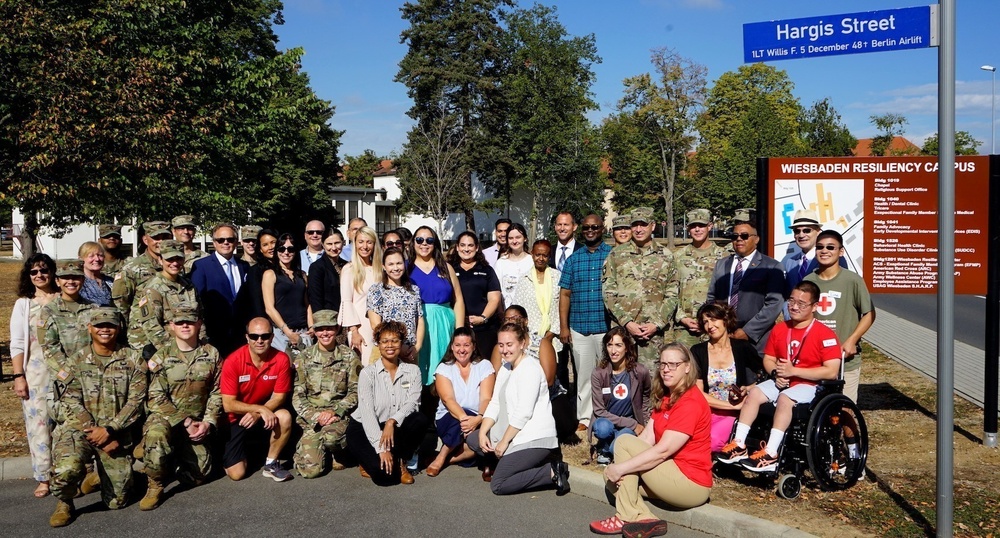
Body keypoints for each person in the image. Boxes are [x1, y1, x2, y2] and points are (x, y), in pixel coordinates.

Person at [717, 281, 842, 473]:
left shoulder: (825, 334)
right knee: (755, 393)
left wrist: (794, 372)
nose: (794, 306)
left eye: (802, 303)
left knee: (785, 398)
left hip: (810, 385)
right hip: (783, 380)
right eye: (791, 300)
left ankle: (771, 452)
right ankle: (739, 444)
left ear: (815, 307)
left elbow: (831, 371)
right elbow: (769, 359)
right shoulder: (781, 329)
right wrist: (776, 373)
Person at [589, 343, 712, 538]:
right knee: (609, 477)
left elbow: (662, 451)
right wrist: (621, 467)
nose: (666, 369)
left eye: (673, 364)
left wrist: (622, 468)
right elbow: (647, 437)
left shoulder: (690, 402)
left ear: (687, 367)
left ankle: (625, 516)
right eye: (662, 364)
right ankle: (646, 519)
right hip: (668, 473)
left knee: (623, 444)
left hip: (690, 483)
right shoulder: (668, 395)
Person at [48, 307, 147, 527]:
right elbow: (70, 402)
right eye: (100, 325)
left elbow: (136, 402)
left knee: (117, 501)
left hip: (116, 434)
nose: (105, 330)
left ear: (118, 328)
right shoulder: (75, 362)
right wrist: (96, 432)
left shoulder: (133, 359)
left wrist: (110, 430)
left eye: (110, 325)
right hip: (79, 432)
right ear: (90, 328)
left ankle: (110, 477)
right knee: (67, 470)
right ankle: (65, 501)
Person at [468, 322, 570, 496]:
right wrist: (484, 432)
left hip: (533, 437)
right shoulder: (506, 367)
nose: (504, 350)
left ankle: (551, 471)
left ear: (522, 344)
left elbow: (523, 413)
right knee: (474, 439)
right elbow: (495, 403)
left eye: (509, 345)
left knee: (499, 485)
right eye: (501, 345)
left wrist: (504, 442)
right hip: (515, 433)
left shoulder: (530, 369)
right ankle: (509, 462)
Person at [140, 304, 222, 510]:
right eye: (180, 322)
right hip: (166, 419)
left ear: (199, 324)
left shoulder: (211, 354)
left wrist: (208, 422)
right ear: (171, 326)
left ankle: (169, 463)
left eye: (190, 321)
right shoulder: (161, 357)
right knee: (157, 435)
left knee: (200, 474)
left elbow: (217, 391)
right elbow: (156, 396)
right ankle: (155, 483)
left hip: (197, 422)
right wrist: (184, 422)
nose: (185, 325)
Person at [347, 321, 429, 486]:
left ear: (401, 342)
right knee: (385, 478)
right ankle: (366, 459)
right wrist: (382, 450)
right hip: (365, 427)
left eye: (395, 340)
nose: (389, 345)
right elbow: (368, 413)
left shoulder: (413, 371)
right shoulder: (367, 373)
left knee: (419, 419)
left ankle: (401, 461)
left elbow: (413, 403)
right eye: (384, 341)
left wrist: (392, 421)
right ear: (378, 344)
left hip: (393, 426)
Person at [603, 207, 680, 370]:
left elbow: (672, 294)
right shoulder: (616, 255)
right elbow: (608, 293)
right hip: (623, 334)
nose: (638, 229)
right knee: (622, 383)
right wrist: (627, 322)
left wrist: (656, 324)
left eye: (643, 225)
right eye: (635, 225)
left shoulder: (666, 256)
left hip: (654, 335)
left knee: (652, 385)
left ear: (652, 226)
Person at [219, 317, 295, 482]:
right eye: (254, 336)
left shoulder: (281, 359)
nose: (259, 340)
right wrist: (259, 409)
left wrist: (259, 413)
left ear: (272, 337)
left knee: (284, 416)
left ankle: (271, 464)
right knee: (237, 474)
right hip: (237, 419)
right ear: (247, 337)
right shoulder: (233, 361)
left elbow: (279, 396)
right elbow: (228, 404)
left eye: (265, 336)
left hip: (263, 415)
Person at [804, 230, 875, 403]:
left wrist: (852, 340)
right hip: (815, 360)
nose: (824, 251)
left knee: (845, 409)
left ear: (841, 251)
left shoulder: (852, 280)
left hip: (844, 360)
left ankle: (851, 431)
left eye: (831, 247)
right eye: (820, 247)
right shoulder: (808, 280)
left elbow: (869, 314)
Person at [10, 254, 59, 498]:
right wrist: (19, 375)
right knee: (39, 426)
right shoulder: (24, 304)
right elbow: (17, 343)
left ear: (52, 271)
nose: (39, 275)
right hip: (35, 373)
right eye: (34, 272)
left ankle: (69, 473)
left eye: (44, 270)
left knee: (66, 424)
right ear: (28, 277)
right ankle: (44, 477)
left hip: (64, 372)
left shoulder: (64, 298)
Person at [292, 309, 361, 478]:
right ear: (314, 331)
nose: (325, 333)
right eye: (320, 329)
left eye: (329, 328)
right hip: (312, 417)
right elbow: (298, 394)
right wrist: (316, 416)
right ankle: (314, 449)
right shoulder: (304, 357)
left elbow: (356, 391)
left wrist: (335, 411)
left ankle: (338, 452)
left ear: (337, 329)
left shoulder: (348, 356)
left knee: (332, 439)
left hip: (338, 415)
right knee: (310, 472)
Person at [559, 213, 612, 431]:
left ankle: (608, 415)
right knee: (584, 376)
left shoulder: (612, 255)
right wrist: (564, 327)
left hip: (605, 328)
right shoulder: (574, 259)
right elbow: (565, 294)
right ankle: (584, 417)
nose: (591, 231)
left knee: (608, 375)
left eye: (595, 227)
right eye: (587, 228)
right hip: (579, 327)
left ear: (602, 229)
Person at [495, 306, 577, 443]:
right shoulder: (501, 348)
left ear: (526, 321)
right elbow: (496, 377)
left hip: (546, 396)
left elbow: (549, 379)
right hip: (513, 396)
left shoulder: (541, 343)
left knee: (565, 426)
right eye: (507, 319)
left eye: (515, 318)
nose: (511, 322)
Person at [707, 219, 786, 355]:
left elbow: (774, 304)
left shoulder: (771, 266)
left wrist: (748, 331)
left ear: (756, 239)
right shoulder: (721, 264)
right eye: (734, 236)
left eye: (744, 236)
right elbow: (712, 297)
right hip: (723, 337)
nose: (739, 239)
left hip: (755, 341)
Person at [690, 303, 762, 452]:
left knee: (713, 440)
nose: (710, 325)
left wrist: (748, 389)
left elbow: (764, 375)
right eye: (705, 322)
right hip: (707, 410)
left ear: (725, 319)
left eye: (714, 319)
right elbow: (698, 393)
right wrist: (730, 405)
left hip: (734, 413)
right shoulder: (698, 351)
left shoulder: (742, 347)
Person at [427, 328, 496, 477]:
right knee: (458, 425)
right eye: (458, 345)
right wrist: (467, 421)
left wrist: (478, 418)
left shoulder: (484, 366)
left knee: (474, 447)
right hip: (449, 417)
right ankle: (441, 457)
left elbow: (486, 398)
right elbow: (448, 400)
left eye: (466, 345)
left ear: (473, 346)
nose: (462, 350)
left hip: (478, 416)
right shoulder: (444, 368)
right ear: (452, 347)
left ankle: (446, 459)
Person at [408, 225, 465, 386]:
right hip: (418, 323)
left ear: (435, 244)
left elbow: (458, 299)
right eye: (419, 240)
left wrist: (459, 330)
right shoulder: (406, 268)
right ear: (413, 243)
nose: (424, 244)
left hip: (444, 323)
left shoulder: (446, 268)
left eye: (429, 240)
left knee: (444, 366)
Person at [127, 240, 203, 353]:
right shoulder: (153, 289)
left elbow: (200, 318)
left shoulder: (189, 286)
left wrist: (202, 343)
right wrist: (173, 352)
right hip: (164, 349)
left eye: (179, 259)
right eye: (170, 259)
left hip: (189, 346)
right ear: (160, 260)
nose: (175, 263)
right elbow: (152, 328)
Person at [589, 327, 651, 465]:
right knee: (603, 429)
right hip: (607, 420)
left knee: (616, 449)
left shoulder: (640, 371)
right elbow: (599, 411)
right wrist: (633, 424)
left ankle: (610, 446)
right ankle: (603, 448)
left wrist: (644, 424)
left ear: (627, 348)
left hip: (629, 422)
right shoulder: (599, 373)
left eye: (618, 345)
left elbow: (646, 397)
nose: (613, 350)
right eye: (609, 345)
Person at [190, 223, 250, 357]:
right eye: (221, 240)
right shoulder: (201, 266)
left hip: (240, 336)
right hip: (214, 335)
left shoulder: (244, 266)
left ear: (236, 242)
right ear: (214, 243)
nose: (226, 243)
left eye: (230, 239)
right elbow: (196, 300)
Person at [672, 209, 728, 347]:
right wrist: (682, 318)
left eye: (701, 225)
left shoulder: (724, 257)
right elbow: (671, 290)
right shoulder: (678, 257)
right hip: (685, 328)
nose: (697, 229)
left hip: (714, 326)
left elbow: (728, 293)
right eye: (693, 226)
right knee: (685, 365)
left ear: (709, 226)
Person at [510, 239, 561, 382]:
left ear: (549, 257)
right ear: (532, 255)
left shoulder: (557, 277)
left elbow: (560, 306)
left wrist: (551, 334)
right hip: (530, 337)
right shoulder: (524, 279)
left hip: (553, 336)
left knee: (554, 376)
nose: (541, 258)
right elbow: (519, 309)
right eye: (537, 254)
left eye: (544, 255)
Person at [448, 230, 502, 356]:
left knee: (483, 363)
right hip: (455, 326)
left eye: (470, 245)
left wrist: (483, 318)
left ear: (477, 248)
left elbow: (494, 298)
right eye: (462, 245)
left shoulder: (487, 270)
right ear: (457, 247)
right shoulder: (449, 269)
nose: (466, 249)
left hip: (483, 329)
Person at [367, 247, 424, 361]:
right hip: (385, 351)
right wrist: (397, 346)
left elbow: (420, 320)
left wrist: (417, 347)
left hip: (409, 352)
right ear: (384, 266)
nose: (396, 268)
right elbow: (376, 325)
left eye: (399, 263)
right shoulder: (376, 290)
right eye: (391, 264)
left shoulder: (414, 290)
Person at [40, 260, 96, 376]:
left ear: (83, 280)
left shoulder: (94, 309)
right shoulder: (49, 311)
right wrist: (68, 374)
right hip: (65, 377)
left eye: (75, 277)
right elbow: (49, 347)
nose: (71, 281)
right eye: (65, 277)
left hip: (93, 375)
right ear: (57, 281)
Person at [112, 220, 172, 325]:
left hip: (170, 332)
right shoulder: (132, 268)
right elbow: (121, 305)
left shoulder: (175, 266)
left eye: (165, 237)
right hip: (141, 335)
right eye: (156, 238)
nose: (161, 242)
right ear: (145, 240)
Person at [262, 233, 313, 354]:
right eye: (281, 249)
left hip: (304, 332)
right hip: (281, 334)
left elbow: (307, 304)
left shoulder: (302, 275)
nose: (286, 252)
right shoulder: (270, 274)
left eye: (290, 249)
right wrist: (288, 332)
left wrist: (311, 327)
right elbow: (269, 308)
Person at [340, 226, 383, 365]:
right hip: (360, 327)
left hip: (380, 323)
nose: (365, 246)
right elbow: (346, 302)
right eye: (361, 242)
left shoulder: (380, 269)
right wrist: (354, 332)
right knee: (365, 366)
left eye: (369, 242)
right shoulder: (349, 269)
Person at [308, 227, 347, 314]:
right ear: (323, 245)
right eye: (329, 244)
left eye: (337, 243)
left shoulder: (347, 265)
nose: (333, 248)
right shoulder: (317, 267)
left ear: (343, 243)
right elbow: (315, 300)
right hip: (328, 319)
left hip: (347, 317)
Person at [494, 222, 532, 307]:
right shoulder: (501, 263)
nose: (514, 241)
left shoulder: (531, 261)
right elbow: (496, 291)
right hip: (507, 312)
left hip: (529, 311)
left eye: (518, 237)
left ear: (525, 238)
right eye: (511, 238)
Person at [244, 227, 279, 321]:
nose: (271, 247)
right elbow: (257, 303)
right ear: (260, 249)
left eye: (273, 242)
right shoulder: (255, 272)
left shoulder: (288, 268)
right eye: (265, 245)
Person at [78, 241, 114, 306]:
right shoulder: (78, 282)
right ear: (81, 259)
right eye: (91, 256)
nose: (97, 259)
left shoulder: (111, 281)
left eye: (100, 255)